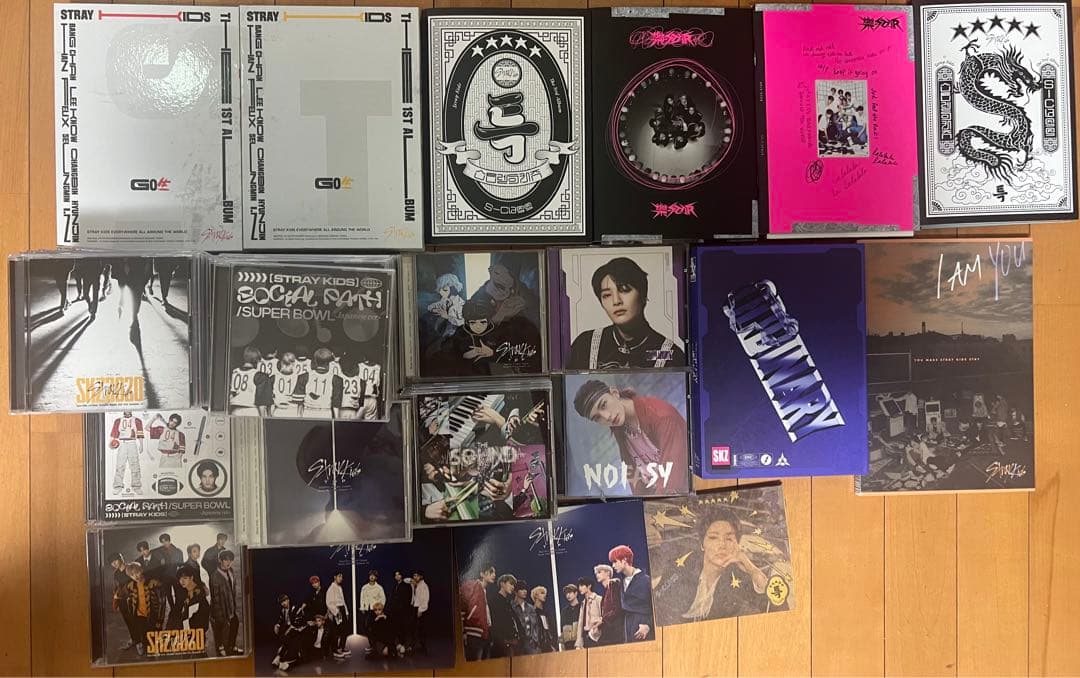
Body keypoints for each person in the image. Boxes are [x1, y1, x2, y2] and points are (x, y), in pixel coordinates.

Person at [573, 379, 689, 494]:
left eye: (604, 405)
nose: (607, 416)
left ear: (614, 393)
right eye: (597, 417)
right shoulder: (619, 427)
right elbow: (633, 476)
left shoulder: (662, 417)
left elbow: (672, 481)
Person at [567, 257, 685, 370]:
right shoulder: (584, 345)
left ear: (643, 295)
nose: (616, 301)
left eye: (624, 290)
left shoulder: (669, 353)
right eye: (607, 295)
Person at [678, 508, 777, 623]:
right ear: (702, 544)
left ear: (737, 545)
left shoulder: (740, 583)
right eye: (713, 537)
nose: (722, 545)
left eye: (729, 539)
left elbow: (775, 611)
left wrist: (751, 568)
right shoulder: (681, 574)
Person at [610, 545, 654, 642]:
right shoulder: (621, 582)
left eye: (615, 561)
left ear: (624, 560)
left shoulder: (646, 581)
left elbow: (658, 609)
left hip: (643, 629)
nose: (613, 566)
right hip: (628, 629)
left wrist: (648, 625)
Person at [121, 561, 165, 657]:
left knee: (154, 632)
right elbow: (122, 594)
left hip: (153, 614)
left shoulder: (153, 583)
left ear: (141, 570)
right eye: (132, 575)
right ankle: (144, 647)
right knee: (143, 633)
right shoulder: (130, 585)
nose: (135, 576)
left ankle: (155, 648)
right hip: (139, 615)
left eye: (137, 572)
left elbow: (162, 602)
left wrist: (160, 619)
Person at [167, 565, 211, 644]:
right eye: (180, 579)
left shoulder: (197, 595)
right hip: (190, 635)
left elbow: (189, 619)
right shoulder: (189, 592)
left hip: (195, 637)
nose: (182, 581)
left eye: (185, 578)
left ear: (191, 578)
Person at [294, 348, 343, 418]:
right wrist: (336, 421)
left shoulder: (303, 377)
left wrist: (299, 419)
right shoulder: (336, 380)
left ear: (315, 361)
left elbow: (299, 404)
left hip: (308, 413)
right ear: (330, 363)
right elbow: (336, 406)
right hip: (326, 413)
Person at [459, 564, 495, 660]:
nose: (494, 575)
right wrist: (463, 631)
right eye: (491, 572)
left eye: (494, 573)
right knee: (475, 664)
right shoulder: (471, 586)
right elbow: (461, 607)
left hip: (485, 634)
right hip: (473, 633)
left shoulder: (485, 591)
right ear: (482, 574)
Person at [209, 550, 241, 656]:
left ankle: (231, 646)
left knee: (235, 624)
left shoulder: (231, 571)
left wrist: (233, 607)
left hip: (231, 607)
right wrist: (219, 614)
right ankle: (220, 648)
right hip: (220, 609)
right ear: (220, 560)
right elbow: (216, 598)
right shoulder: (215, 577)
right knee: (220, 629)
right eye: (226, 560)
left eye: (230, 560)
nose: (229, 562)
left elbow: (232, 591)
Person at [108, 553, 139, 651]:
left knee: (137, 620)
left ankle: (140, 642)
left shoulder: (131, 568)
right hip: (123, 600)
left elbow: (138, 582)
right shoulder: (116, 573)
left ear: (121, 558)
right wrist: (116, 597)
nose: (114, 564)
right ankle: (134, 639)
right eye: (112, 563)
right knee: (128, 621)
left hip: (134, 599)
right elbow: (117, 587)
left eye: (115, 561)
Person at [229, 345, 272, 416]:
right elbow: (261, 403)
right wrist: (263, 418)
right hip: (251, 410)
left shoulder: (234, 372)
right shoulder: (259, 376)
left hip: (235, 410)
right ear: (257, 360)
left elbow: (231, 394)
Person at [110, 412, 145, 494]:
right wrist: (111, 443)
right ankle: (118, 486)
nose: (127, 411)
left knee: (135, 465)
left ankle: (136, 486)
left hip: (132, 443)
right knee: (120, 465)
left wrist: (141, 445)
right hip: (122, 443)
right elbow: (114, 435)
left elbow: (140, 434)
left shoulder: (137, 420)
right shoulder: (118, 420)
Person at [488, 573, 519, 658]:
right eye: (511, 584)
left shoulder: (507, 602)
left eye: (514, 585)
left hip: (511, 643)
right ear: (502, 584)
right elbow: (494, 623)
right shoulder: (494, 600)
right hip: (502, 645)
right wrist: (503, 641)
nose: (513, 587)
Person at [271, 594, 305, 671]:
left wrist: (287, 631)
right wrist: (277, 625)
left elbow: (297, 623)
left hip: (299, 631)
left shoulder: (296, 608)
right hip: (290, 631)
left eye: (284, 601)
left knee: (289, 639)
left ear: (288, 600)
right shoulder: (283, 610)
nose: (283, 603)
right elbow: (281, 620)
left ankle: (285, 660)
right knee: (284, 636)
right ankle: (279, 657)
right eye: (281, 602)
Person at [595, 564, 623, 645]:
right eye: (596, 573)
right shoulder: (606, 590)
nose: (597, 575)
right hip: (609, 628)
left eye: (599, 572)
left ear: (607, 573)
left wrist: (602, 620)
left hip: (615, 629)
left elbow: (617, 608)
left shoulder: (613, 584)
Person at [388, 570, 414, 654]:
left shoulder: (406, 585)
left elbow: (408, 598)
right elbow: (392, 597)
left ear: (401, 575)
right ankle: (399, 643)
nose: (397, 576)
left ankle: (403, 644)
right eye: (395, 575)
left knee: (403, 627)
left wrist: (402, 608)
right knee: (397, 627)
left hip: (403, 611)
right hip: (395, 611)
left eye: (398, 575)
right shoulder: (395, 585)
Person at [510, 580, 539, 654]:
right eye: (521, 589)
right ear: (515, 591)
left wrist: (535, 639)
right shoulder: (511, 606)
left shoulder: (531, 608)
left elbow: (535, 625)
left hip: (531, 643)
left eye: (525, 589)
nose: (525, 591)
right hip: (517, 643)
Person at [326, 572, 350, 658]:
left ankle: (341, 648)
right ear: (335, 577)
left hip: (342, 609)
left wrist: (346, 612)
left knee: (344, 630)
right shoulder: (331, 588)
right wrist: (336, 612)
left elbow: (343, 601)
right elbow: (329, 603)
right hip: (336, 610)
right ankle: (335, 650)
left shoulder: (339, 587)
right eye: (339, 576)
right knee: (336, 632)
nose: (341, 578)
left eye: (342, 577)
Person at [575, 577, 603, 649]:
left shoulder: (598, 599)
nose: (580, 588)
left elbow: (603, 616)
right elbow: (580, 624)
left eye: (582, 585)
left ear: (589, 586)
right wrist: (578, 643)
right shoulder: (583, 603)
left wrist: (596, 626)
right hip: (586, 636)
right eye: (579, 586)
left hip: (597, 636)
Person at [359, 570, 386, 636]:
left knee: (375, 626)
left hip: (375, 610)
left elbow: (383, 599)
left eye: (373, 575)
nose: (372, 577)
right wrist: (362, 608)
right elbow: (362, 598)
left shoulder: (379, 587)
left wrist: (380, 609)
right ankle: (368, 640)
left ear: (376, 577)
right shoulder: (364, 587)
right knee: (365, 626)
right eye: (371, 575)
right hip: (366, 610)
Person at [531, 586, 556, 653]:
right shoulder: (532, 612)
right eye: (542, 593)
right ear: (536, 595)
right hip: (538, 646)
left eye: (545, 593)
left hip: (549, 644)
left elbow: (552, 629)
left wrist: (553, 644)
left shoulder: (547, 613)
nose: (544, 595)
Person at [411, 570, 430, 652]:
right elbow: (406, 580)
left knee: (420, 628)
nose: (415, 577)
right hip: (416, 607)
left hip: (421, 609)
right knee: (416, 628)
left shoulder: (423, 586)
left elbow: (425, 599)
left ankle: (421, 646)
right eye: (414, 576)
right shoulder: (417, 585)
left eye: (417, 576)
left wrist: (420, 610)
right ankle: (416, 645)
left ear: (421, 576)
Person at [560, 584, 581, 651]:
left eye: (570, 592)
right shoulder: (564, 611)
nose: (568, 595)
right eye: (566, 593)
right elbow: (562, 629)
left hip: (580, 642)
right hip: (568, 644)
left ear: (576, 593)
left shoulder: (582, 607)